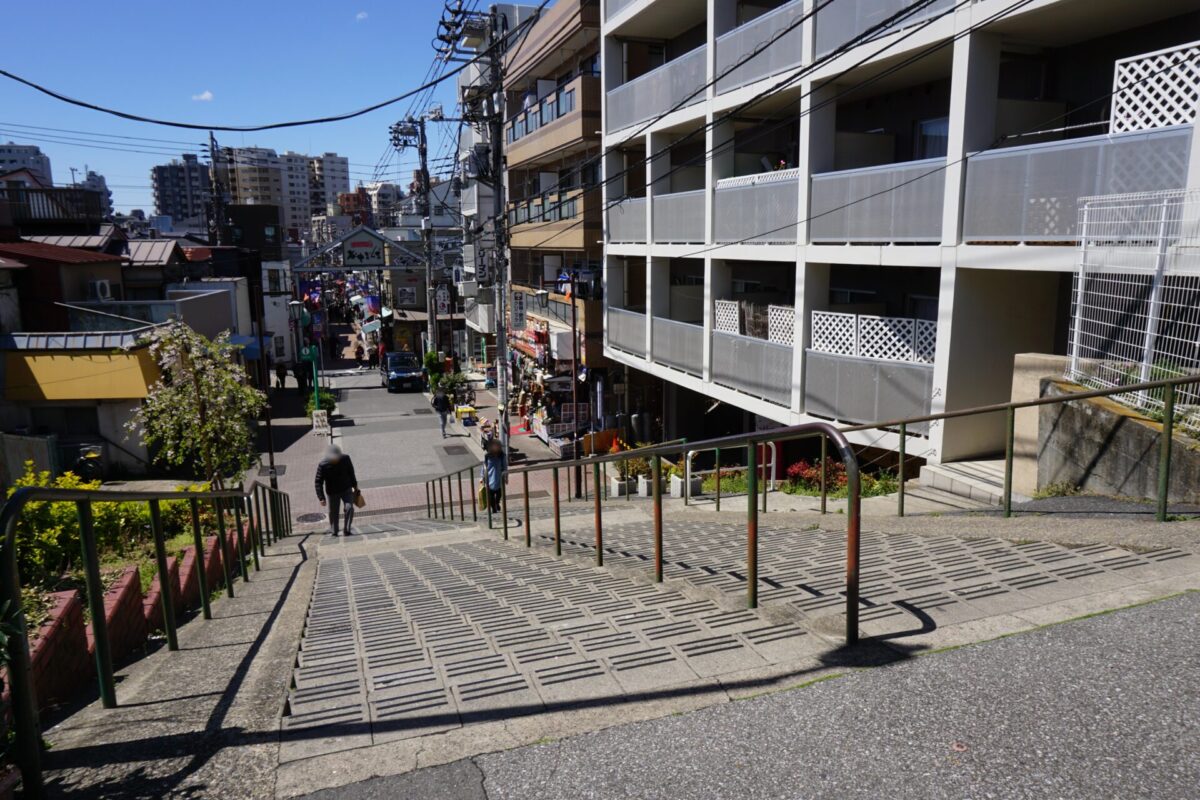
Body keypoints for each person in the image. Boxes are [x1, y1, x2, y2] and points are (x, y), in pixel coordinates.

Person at [314, 444, 359, 537]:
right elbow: (318, 481)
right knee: (333, 512)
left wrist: (355, 486)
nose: (335, 459)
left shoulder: (346, 459)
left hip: (346, 489)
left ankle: (347, 530)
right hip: (332, 492)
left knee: (349, 508)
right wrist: (321, 497)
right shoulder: (323, 465)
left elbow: (351, 472)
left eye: (337, 457)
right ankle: (334, 531)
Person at [482, 437, 506, 514]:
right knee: (491, 496)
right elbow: (484, 467)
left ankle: (497, 503)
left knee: (499, 494)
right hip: (489, 479)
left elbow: (505, 466)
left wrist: (506, 477)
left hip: (499, 478)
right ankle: (493, 508)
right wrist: (482, 477)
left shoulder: (502, 456)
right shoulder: (487, 456)